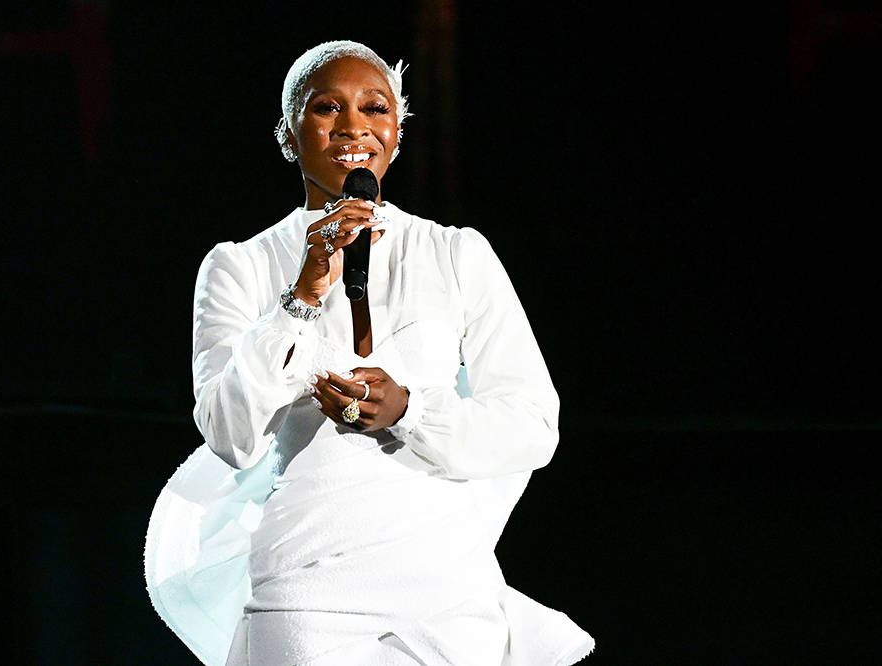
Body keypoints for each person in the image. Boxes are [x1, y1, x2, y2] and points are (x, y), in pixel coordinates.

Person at [145, 40, 594, 666]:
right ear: (288, 135)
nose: (354, 126)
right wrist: (300, 296)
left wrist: (409, 409)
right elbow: (228, 434)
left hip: (447, 586)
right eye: (327, 107)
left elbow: (531, 427)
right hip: (306, 585)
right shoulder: (239, 266)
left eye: (375, 107)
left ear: (398, 132)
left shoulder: (456, 254)